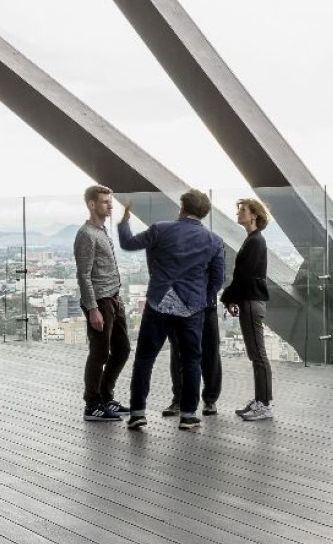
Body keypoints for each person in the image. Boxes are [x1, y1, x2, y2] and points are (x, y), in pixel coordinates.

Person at [117, 191, 225, 433]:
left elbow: (127, 243)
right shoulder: (214, 241)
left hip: (158, 302)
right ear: (204, 213)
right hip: (192, 308)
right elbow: (218, 278)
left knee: (145, 358)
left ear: (182, 206)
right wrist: (202, 299)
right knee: (191, 361)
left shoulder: (161, 229)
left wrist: (124, 221)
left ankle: (137, 414)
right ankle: (188, 415)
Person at [73, 183, 129, 421]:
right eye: (105, 201)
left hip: (114, 300)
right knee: (99, 354)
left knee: (123, 349)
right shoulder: (86, 235)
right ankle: (92, 405)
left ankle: (105, 396)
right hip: (100, 302)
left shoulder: (102, 231)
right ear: (91, 204)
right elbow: (83, 274)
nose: (109, 205)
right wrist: (93, 308)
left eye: (110, 200)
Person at [221, 196, 274, 421]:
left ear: (254, 215)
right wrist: (232, 299)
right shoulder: (253, 240)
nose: (238, 213)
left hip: (251, 301)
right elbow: (243, 277)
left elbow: (244, 276)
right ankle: (260, 401)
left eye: (243, 210)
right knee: (255, 355)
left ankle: (264, 404)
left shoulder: (255, 242)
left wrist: (227, 298)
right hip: (250, 301)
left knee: (258, 355)